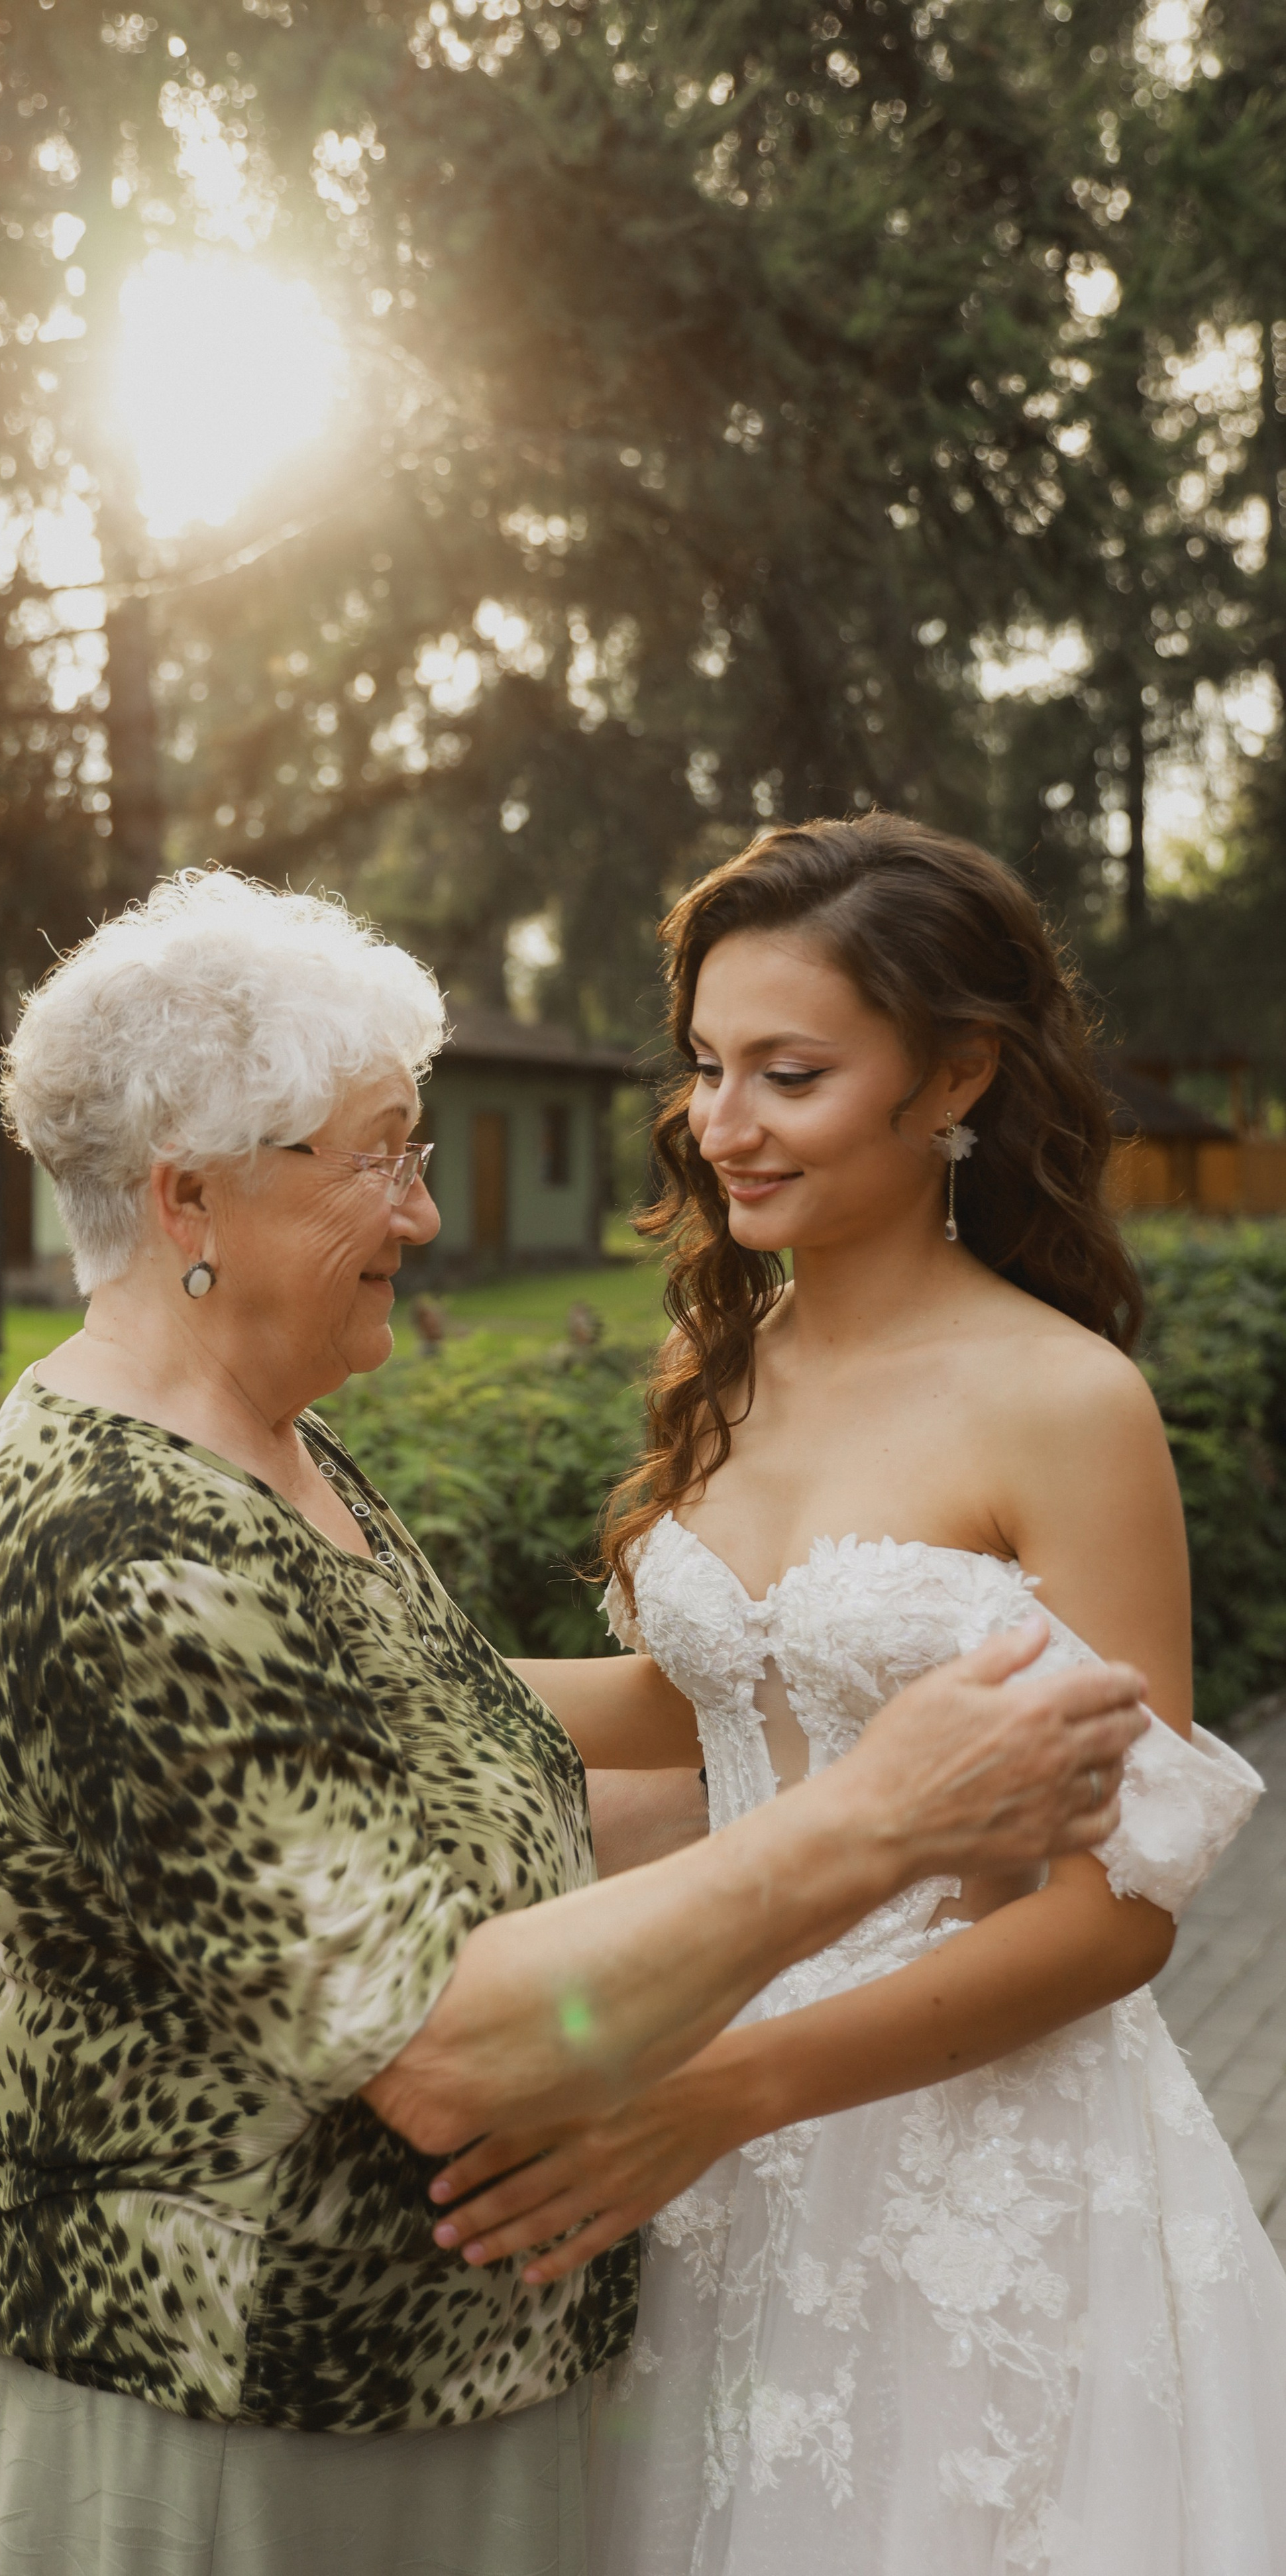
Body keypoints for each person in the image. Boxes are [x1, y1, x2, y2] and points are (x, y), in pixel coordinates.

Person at [0, 868, 1148, 2576]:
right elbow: (440, 2049)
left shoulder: (270, 1451)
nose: (423, 1214)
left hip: (442, 2381)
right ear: (189, 1194)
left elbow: (475, 1783)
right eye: (377, 1158)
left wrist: (834, 1750)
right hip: (255, 2412)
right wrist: (878, 1817)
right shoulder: (127, 1549)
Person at [425, 816, 1283, 2574]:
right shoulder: (724, 1363)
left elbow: (1118, 1913)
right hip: (691, 2119)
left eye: (790, 1074)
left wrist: (728, 2091)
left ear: (955, 1074)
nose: (721, 1123)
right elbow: (713, 1700)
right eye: (707, 1067)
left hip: (961, 2154)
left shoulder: (1066, 1403)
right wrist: (349, 1670)